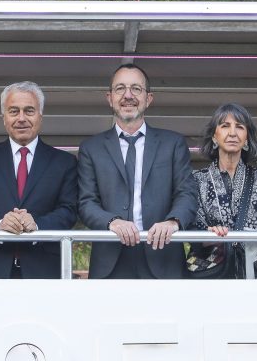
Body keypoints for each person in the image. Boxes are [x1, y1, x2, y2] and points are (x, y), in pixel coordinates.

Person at [78, 63, 198, 279]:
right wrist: (112, 221)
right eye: (120, 88)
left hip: (163, 256)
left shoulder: (173, 143)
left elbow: (187, 194)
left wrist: (173, 221)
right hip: (110, 260)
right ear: (109, 98)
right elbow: (86, 202)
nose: (128, 95)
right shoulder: (91, 148)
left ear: (148, 98)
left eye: (136, 88)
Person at [0, 81, 78, 278]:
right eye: (14, 111)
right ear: (3, 118)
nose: (21, 118)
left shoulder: (64, 162)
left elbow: (69, 210)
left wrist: (38, 225)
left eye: (29, 111)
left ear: (40, 116)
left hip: (45, 270)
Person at [191, 103, 257, 278]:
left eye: (239, 127)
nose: (232, 133)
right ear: (214, 137)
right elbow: (191, 228)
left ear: (247, 138)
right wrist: (208, 234)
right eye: (225, 126)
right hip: (214, 274)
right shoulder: (197, 180)